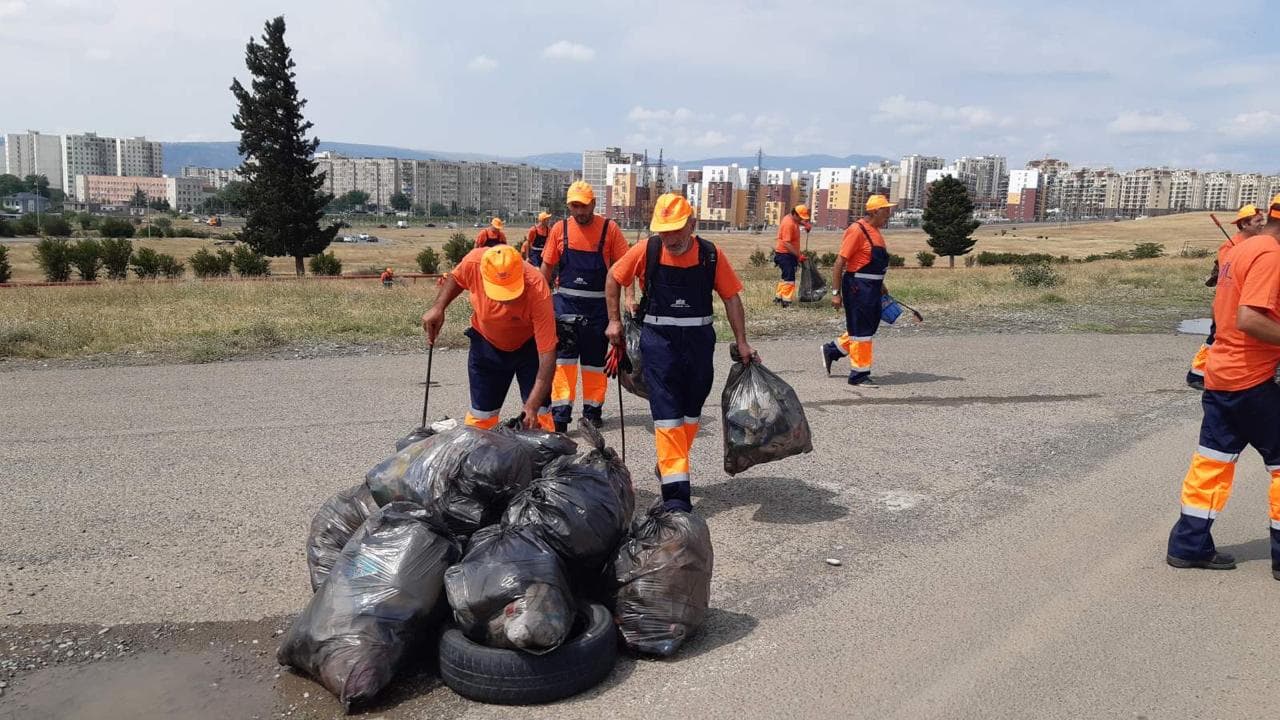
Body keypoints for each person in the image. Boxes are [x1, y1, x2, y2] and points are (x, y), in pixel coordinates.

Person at [604, 192, 756, 513]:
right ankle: (676, 497)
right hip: (658, 344)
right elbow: (614, 277)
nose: (670, 238)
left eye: (676, 229)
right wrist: (614, 321)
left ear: (692, 224)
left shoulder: (711, 256)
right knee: (668, 412)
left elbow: (731, 299)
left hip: (699, 344)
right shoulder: (648, 249)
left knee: (691, 413)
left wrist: (742, 341)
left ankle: (669, 464)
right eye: (664, 230)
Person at [1166, 195, 1280, 576]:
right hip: (1257, 379)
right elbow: (1249, 318)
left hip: (1223, 375)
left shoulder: (1240, 251)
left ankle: (1189, 545)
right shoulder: (1270, 255)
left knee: (1212, 462)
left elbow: (1224, 313)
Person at [420, 244, 555, 431]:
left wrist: (531, 406)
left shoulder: (538, 288)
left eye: (511, 291)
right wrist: (438, 307)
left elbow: (548, 357)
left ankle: (545, 455)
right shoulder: (474, 262)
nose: (505, 300)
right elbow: (456, 278)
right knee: (481, 416)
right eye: (500, 292)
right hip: (486, 344)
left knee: (539, 415)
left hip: (528, 347)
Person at [539, 180, 632, 432]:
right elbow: (546, 269)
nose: (579, 211)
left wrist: (629, 299)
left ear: (593, 203)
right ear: (569, 206)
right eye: (574, 206)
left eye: (583, 206)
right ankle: (560, 415)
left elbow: (625, 267)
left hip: (598, 311)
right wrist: (537, 302)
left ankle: (592, 412)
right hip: (565, 309)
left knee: (594, 366)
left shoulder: (610, 230)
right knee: (563, 364)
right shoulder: (560, 230)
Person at [1186, 204, 1265, 389]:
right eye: (1258, 220)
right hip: (1227, 305)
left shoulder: (1252, 245)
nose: (1263, 224)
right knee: (1214, 340)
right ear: (1245, 224)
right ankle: (1196, 375)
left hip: (1240, 303)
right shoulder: (1228, 248)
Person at [822, 194, 896, 385]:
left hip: (872, 287)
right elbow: (839, 263)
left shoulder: (876, 231)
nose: (889, 214)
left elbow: (874, 264)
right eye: (885, 210)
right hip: (858, 287)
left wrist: (882, 286)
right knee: (862, 330)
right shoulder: (857, 230)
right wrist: (836, 293)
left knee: (867, 327)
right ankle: (859, 374)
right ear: (874, 211)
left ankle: (832, 350)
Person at [773, 204, 811, 307]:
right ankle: (786, 302)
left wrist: (805, 224)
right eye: (800, 217)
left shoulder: (793, 219)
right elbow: (787, 243)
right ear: (794, 214)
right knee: (790, 279)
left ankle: (778, 298)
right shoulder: (788, 224)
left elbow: (798, 221)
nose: (801, 219)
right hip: (785, 254)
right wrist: (799, 255)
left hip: (788, 254)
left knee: (785, 277)